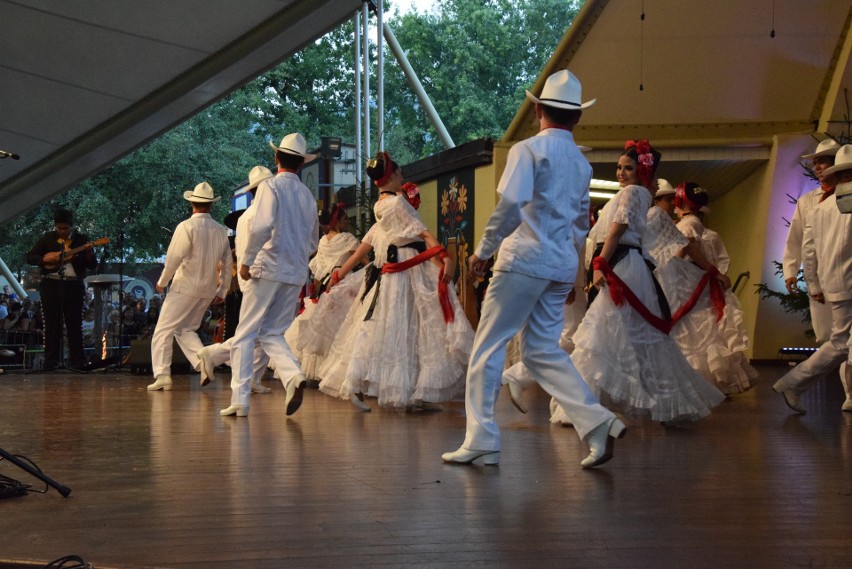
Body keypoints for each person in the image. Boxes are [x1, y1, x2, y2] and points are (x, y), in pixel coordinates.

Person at [442, 70, 624, 469]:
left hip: (523, 260)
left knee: (487, 347)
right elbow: (581, 226)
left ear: (538, 109)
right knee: (542, 351)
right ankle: (596, 422)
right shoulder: (580, 163)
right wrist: (574, 274)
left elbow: (510, 207)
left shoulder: (527, 150)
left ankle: (482, 438)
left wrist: (483, 252)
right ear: (576, 118)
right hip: (559, 265)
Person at [571, 140, 725, 427]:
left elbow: (617, 231)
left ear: (641, 173)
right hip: (625, 265)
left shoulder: (633, 193)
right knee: (614, 334)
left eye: (627, 168)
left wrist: (599, 264)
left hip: (623, 266)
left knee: (605, 333)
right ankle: (585, 405)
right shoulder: (634, 195)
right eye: (618, 168)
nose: (621, 173)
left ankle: (582, 406)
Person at [318, 152, 472, 412]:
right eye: (400, 174)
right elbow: (424, 236)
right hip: (406, 271)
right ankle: (407, 392)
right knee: (413, 327)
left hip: (393, 272)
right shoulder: (397, 205)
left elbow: (363, 250)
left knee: (390, 328)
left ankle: (397, 389)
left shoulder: (380, 206)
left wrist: (338, 276)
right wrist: (447, 260)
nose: (403, 177)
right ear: (391, 176)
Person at [221, 134, 319, 417]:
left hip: (266, 267)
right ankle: (292, 375)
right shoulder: (308, 197)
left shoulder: (270, 187)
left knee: (245, 334)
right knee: (272, 332)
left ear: (277, 159)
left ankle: (240, 400)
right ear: (301, 164)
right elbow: (313, 242)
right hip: (294, 271)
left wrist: (246, 261)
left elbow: (262, 226)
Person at [650, 181, 754, 395]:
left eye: (672, 200)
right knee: (697, 332)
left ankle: (696, 383)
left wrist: (664, 268)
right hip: (691, 285)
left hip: (686, 287)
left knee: (691, 332)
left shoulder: (687, 225)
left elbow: (681, 252)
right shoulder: (694, 224)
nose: (671, 204)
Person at [773, 144, 852, 413]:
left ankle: (796, 384)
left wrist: (816, 282)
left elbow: (808, 247)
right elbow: (802, 244)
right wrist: (807, 280)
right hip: (844, 283)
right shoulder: (823, 204)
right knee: (839, 343)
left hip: (835, 283)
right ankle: (795, 383)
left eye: (824, 162)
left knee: (841, 343)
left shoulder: (821, 207)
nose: (818, 167)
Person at [196, 164, 277, 395]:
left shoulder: (251, 216)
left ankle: (250, 376)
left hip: (255, 280)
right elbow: (254, 251)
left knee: (261, 332)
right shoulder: (256, 216)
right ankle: (215, 355)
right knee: (257, 332)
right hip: (259, 280)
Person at [147, 182, 232, 391]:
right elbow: (228, 263)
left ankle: (162, 375)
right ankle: (202, 361)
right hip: (207, 289)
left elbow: (174, 258)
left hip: (184, 287)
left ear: (191, 203)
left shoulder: (186, 227)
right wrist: (222, 290)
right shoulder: (221, 231)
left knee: (163, 331)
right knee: (185, 329)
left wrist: (162, 281)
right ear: (210, 205)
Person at [284, 202, 369, 382]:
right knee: (344, 327)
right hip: (345, 286)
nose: (347, 222)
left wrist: (315, 290)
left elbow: (318, 269)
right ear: (337, 221)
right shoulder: (348, 239)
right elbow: (364, 262)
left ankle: (317, 369)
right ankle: (335, 370)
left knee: (322, 327)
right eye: (345, 218)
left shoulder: (322, 242)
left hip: (324, 288)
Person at [781, 139, 840, 343]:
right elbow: (796, 238)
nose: (817, 167)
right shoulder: (807, 202)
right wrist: (790, 270)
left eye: (822, 161)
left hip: (845, 272)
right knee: (825, 335)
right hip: (819, 276)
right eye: (815, 163)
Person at [26, 208, 98, 371]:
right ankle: (50, 362)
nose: (62, 231)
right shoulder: (47, 239)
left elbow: (92, 264)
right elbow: (30, 257)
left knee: (74, 324)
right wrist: (44, 258)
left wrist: (88, 255)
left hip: (73, 285)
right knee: (51, 325)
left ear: (71, 227)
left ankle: (77, 362)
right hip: (51, 283)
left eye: (65, 228)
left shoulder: (81, 240)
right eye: (59, 228)